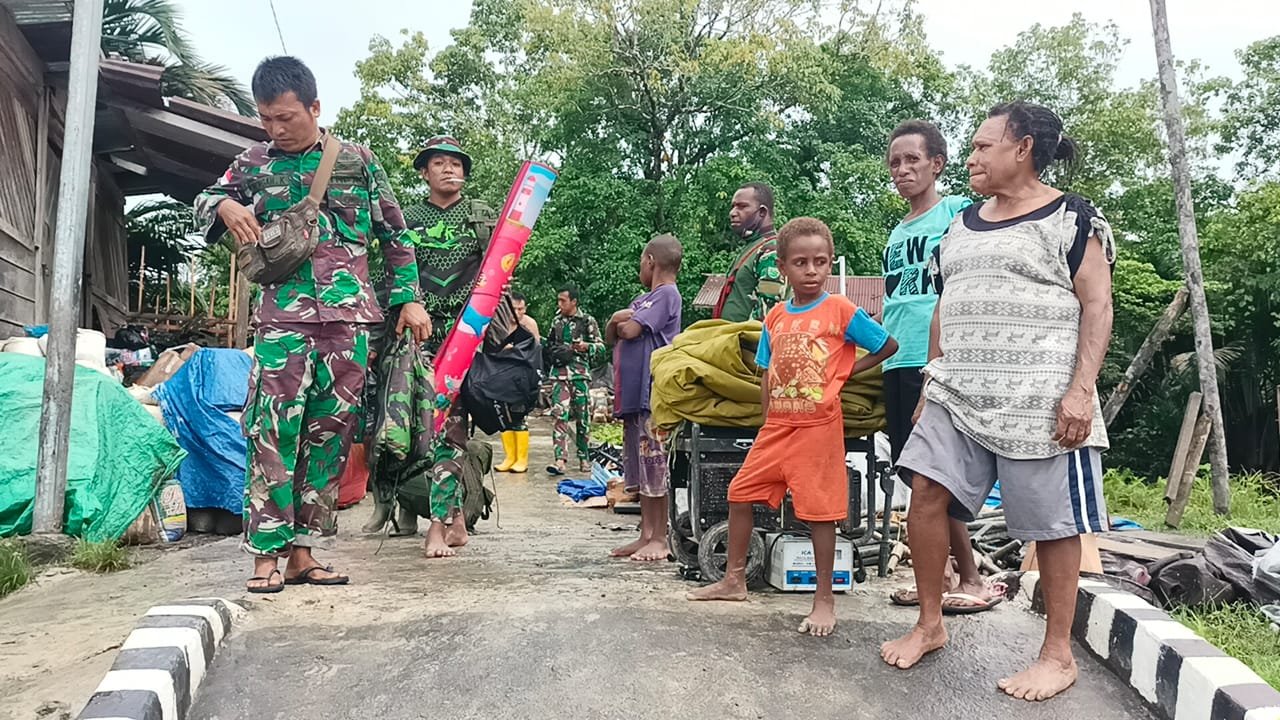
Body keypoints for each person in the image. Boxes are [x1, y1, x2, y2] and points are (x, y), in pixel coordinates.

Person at [880, 102, 1115, 703]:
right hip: (956, 394)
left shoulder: (1071, 218)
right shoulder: (961, 224)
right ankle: (930, 624)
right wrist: (932, 379)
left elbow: (1097, 305)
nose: (972, 158)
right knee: (924, 496)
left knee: (1053, 525)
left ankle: (1057, 656)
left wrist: (1080, 391)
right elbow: (945, 303)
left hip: (1040, 403)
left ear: (1024, 148)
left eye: (984, 147)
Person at [194, 56, 429, 593]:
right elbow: (204, 199)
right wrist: (224, 206)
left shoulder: (358, 161)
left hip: (349, 324)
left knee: (329, 436)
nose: (276, 129)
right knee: (271, 430)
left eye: (286, 117)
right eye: (266, 119)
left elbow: (395, 236)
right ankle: (265, 556)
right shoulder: (253, 162)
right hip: (282, 321)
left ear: (314, 107)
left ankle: (303, 552)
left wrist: (409, 300)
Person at [688, 217, 898, 636]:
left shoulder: (840, 310)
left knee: (820, 514)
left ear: (830, 262)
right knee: (739, 493)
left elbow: (886, 345)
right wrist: (766, 420)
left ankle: (824, 600)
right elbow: (767, 372)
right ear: (783, 267)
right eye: (800, 262)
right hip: (777, 427)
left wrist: (842, 374)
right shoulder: (776, 317)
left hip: (818, 427)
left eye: (820, 261)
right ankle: (733, 580)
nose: (812, 270)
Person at [881, 120, 1003, 614]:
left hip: (937, 361)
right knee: (913, 474)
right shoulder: (897, 232)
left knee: (938, 476)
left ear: (937, 164)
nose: (902, 170)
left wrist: (948, 361)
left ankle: (971, 577)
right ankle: (941, 576)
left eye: (912, 159)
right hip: (897, 358)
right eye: (895, 162)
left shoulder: (958, 213)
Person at [363, 135, 504, 559]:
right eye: (439, 163)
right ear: (425, 172)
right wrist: (377, 339)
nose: (449, 170)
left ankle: (439, 527)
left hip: (463, 339)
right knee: (410, 432)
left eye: (456, 164)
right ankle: (447, 517)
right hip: (414, 339)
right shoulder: (406, 219)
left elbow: (500, 273)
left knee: (450, 431)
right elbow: (387, 277)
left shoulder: (481, 217)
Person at [606, 234, 683, 562]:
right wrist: (615, 320)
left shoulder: (666, 294)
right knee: (641, 466)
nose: (640, 266)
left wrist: (618, 319)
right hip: (634, 398)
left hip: (653, 395)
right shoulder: (644, 299)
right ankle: (646, 534)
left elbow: (629, 330)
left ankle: (661, 538)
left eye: (641, 260)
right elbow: (612, 334)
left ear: (651, 260)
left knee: (655, 465)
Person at [544, 285, 605, 476]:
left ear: (574, 302)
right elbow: (549, 345)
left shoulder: (587, 321)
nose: (559, 304)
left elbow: (601, 348)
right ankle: (559, 460)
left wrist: (586, 346)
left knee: (582, 417)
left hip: (580, 375)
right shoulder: (556, 321)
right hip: (559, 374)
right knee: (559, 415)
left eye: (563, 300)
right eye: (558, 300)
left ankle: (583, 457)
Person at [712, 182, 786, 322]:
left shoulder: (770, 251)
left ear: (762, 212)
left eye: (742, 206)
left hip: (747, 336)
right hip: (730, 334)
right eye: (733, 206)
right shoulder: (753, 247)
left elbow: (767, 312)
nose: (732, 213)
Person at [493, 291, 539, 474]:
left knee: (519, 417)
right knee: (504, 417)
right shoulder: (500, 324)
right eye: (515, 309)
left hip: (522, 377)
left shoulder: (529, 324)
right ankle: (509, 457)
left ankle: (522, 459)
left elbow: (535, 352)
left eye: (521, 309)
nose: (518, 313)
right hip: (502, 375)